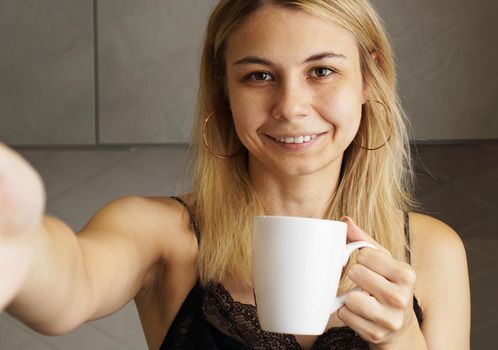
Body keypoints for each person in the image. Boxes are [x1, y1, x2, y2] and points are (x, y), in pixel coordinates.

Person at [0, 0, 470, 349]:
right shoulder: (163, 235)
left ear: (370, 77)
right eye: (259, 76)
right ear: (224, 90)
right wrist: (20, 243)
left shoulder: (432, 252)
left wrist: (402, 335)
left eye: (322, 71)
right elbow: (72, 282)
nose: (290, 107)